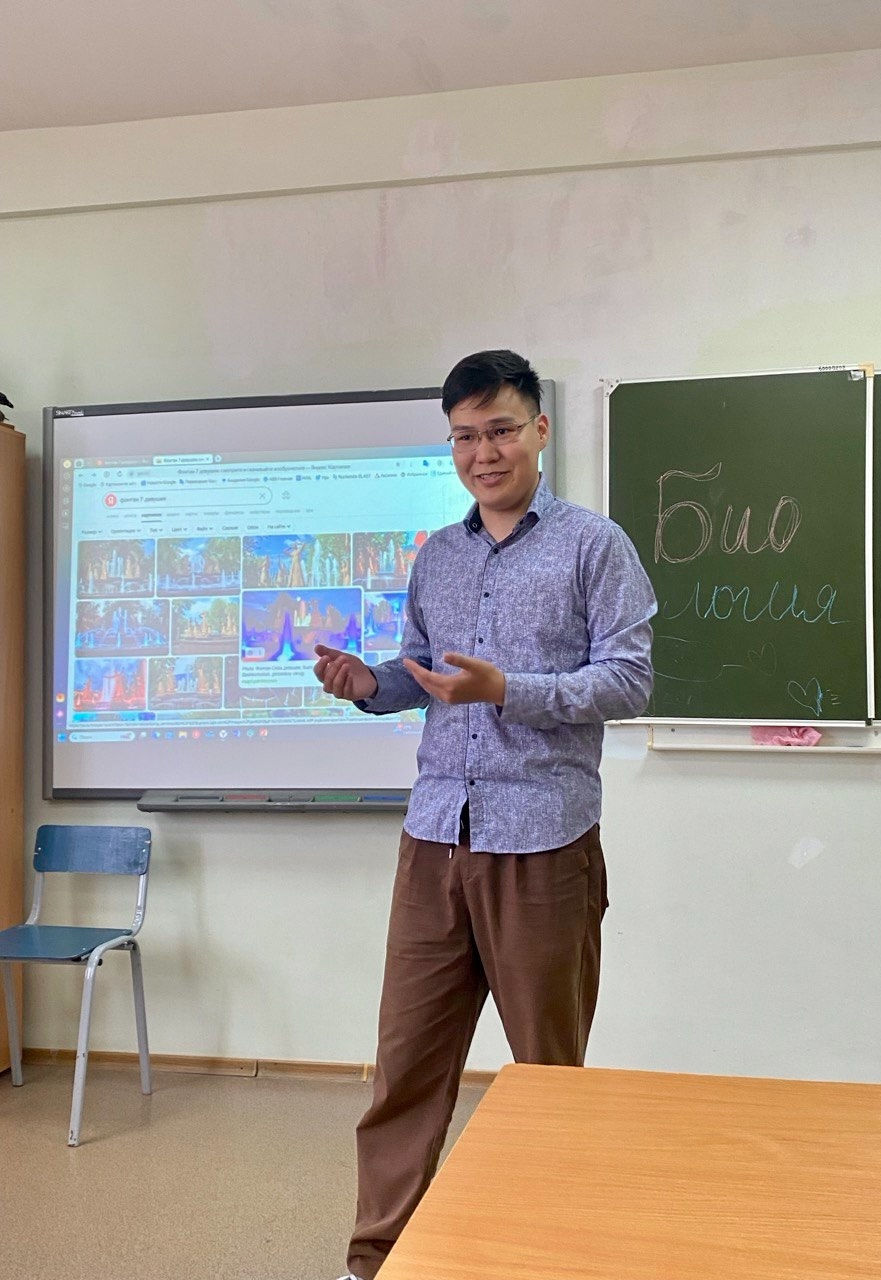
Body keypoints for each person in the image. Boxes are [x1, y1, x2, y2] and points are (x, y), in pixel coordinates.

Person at [313, 349, 656, 1280]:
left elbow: (629, 681)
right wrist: (368, 685)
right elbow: (421, 674)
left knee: (545, 1075)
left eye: (500, 430)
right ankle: (375, 1257)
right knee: (405, 1068)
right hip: (435, 838)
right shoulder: (438, 555)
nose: (483, 453)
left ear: (539, 430)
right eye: (464, 437)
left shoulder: (594, 546)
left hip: (543, 842)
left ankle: (547, 1253)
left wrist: (510, 690)